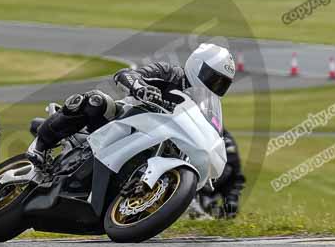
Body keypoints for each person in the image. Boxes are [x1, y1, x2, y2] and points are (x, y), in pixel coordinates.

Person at [27, 43, 236, 166]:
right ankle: (39, 147)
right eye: (212, 77)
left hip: (158, 139)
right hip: (124, 121)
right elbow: (125, 74)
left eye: (221, 83)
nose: (214, 85)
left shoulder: (208, 106)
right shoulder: (170, 72)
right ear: (197, 65)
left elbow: (212, 133)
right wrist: (138, 86)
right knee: (95, 101)